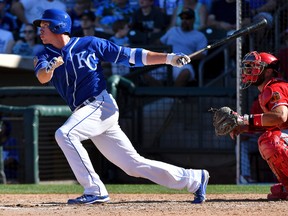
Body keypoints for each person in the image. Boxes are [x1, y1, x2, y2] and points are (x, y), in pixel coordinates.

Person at [32, 9, 209, 204]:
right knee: (133, 165)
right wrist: (50, 67)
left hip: (100, 105)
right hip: (85, 113)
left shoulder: (89, 43)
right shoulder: (43, 53)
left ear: (58, 26)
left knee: (65, 134)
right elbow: (42, 76)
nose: (40, 31)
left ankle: (94, 189)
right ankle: (193, 179)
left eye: (44, 26)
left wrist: (168, 58)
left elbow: (130, 55)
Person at [230, 51, 288, 200]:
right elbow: (278, 122)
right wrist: (248, 126)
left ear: (268, 71)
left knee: (270, 140)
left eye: (253, 67)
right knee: (268, 138)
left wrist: (244, 120)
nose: (248, 71)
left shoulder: (274, 88)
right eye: (247, 67)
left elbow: (280, 116)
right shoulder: (269, 89)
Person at [159, 8, 208, 86]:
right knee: (145, 73)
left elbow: (202, 54)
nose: (184, 21)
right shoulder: (173, 30)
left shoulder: (199, 36)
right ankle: (162, 96)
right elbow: (159, 42)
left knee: (185, 73)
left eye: (187, 18)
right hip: (165, 61)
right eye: (182, 18)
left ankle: (172, 97)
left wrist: (186, 57)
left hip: (182, 63)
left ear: (193, 20)